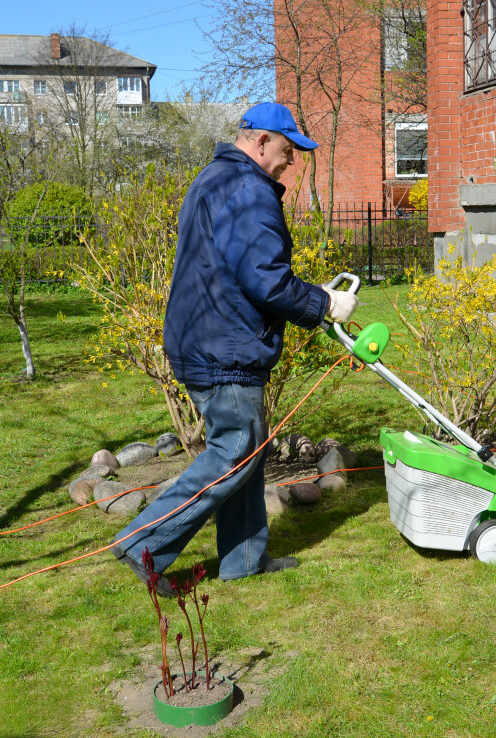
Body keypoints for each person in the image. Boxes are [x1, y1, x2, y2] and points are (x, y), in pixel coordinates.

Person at [111, 102, 358, 588]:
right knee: (234, 452)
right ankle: (143, 543)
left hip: (207, 335)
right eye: (288, 151)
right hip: (224, 345)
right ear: (261, 141)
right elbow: (264, 279)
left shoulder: (216, 178)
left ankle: (244, 561)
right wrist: (323, 303)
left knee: (248, 451)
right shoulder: (248, 190)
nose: (291, 161)